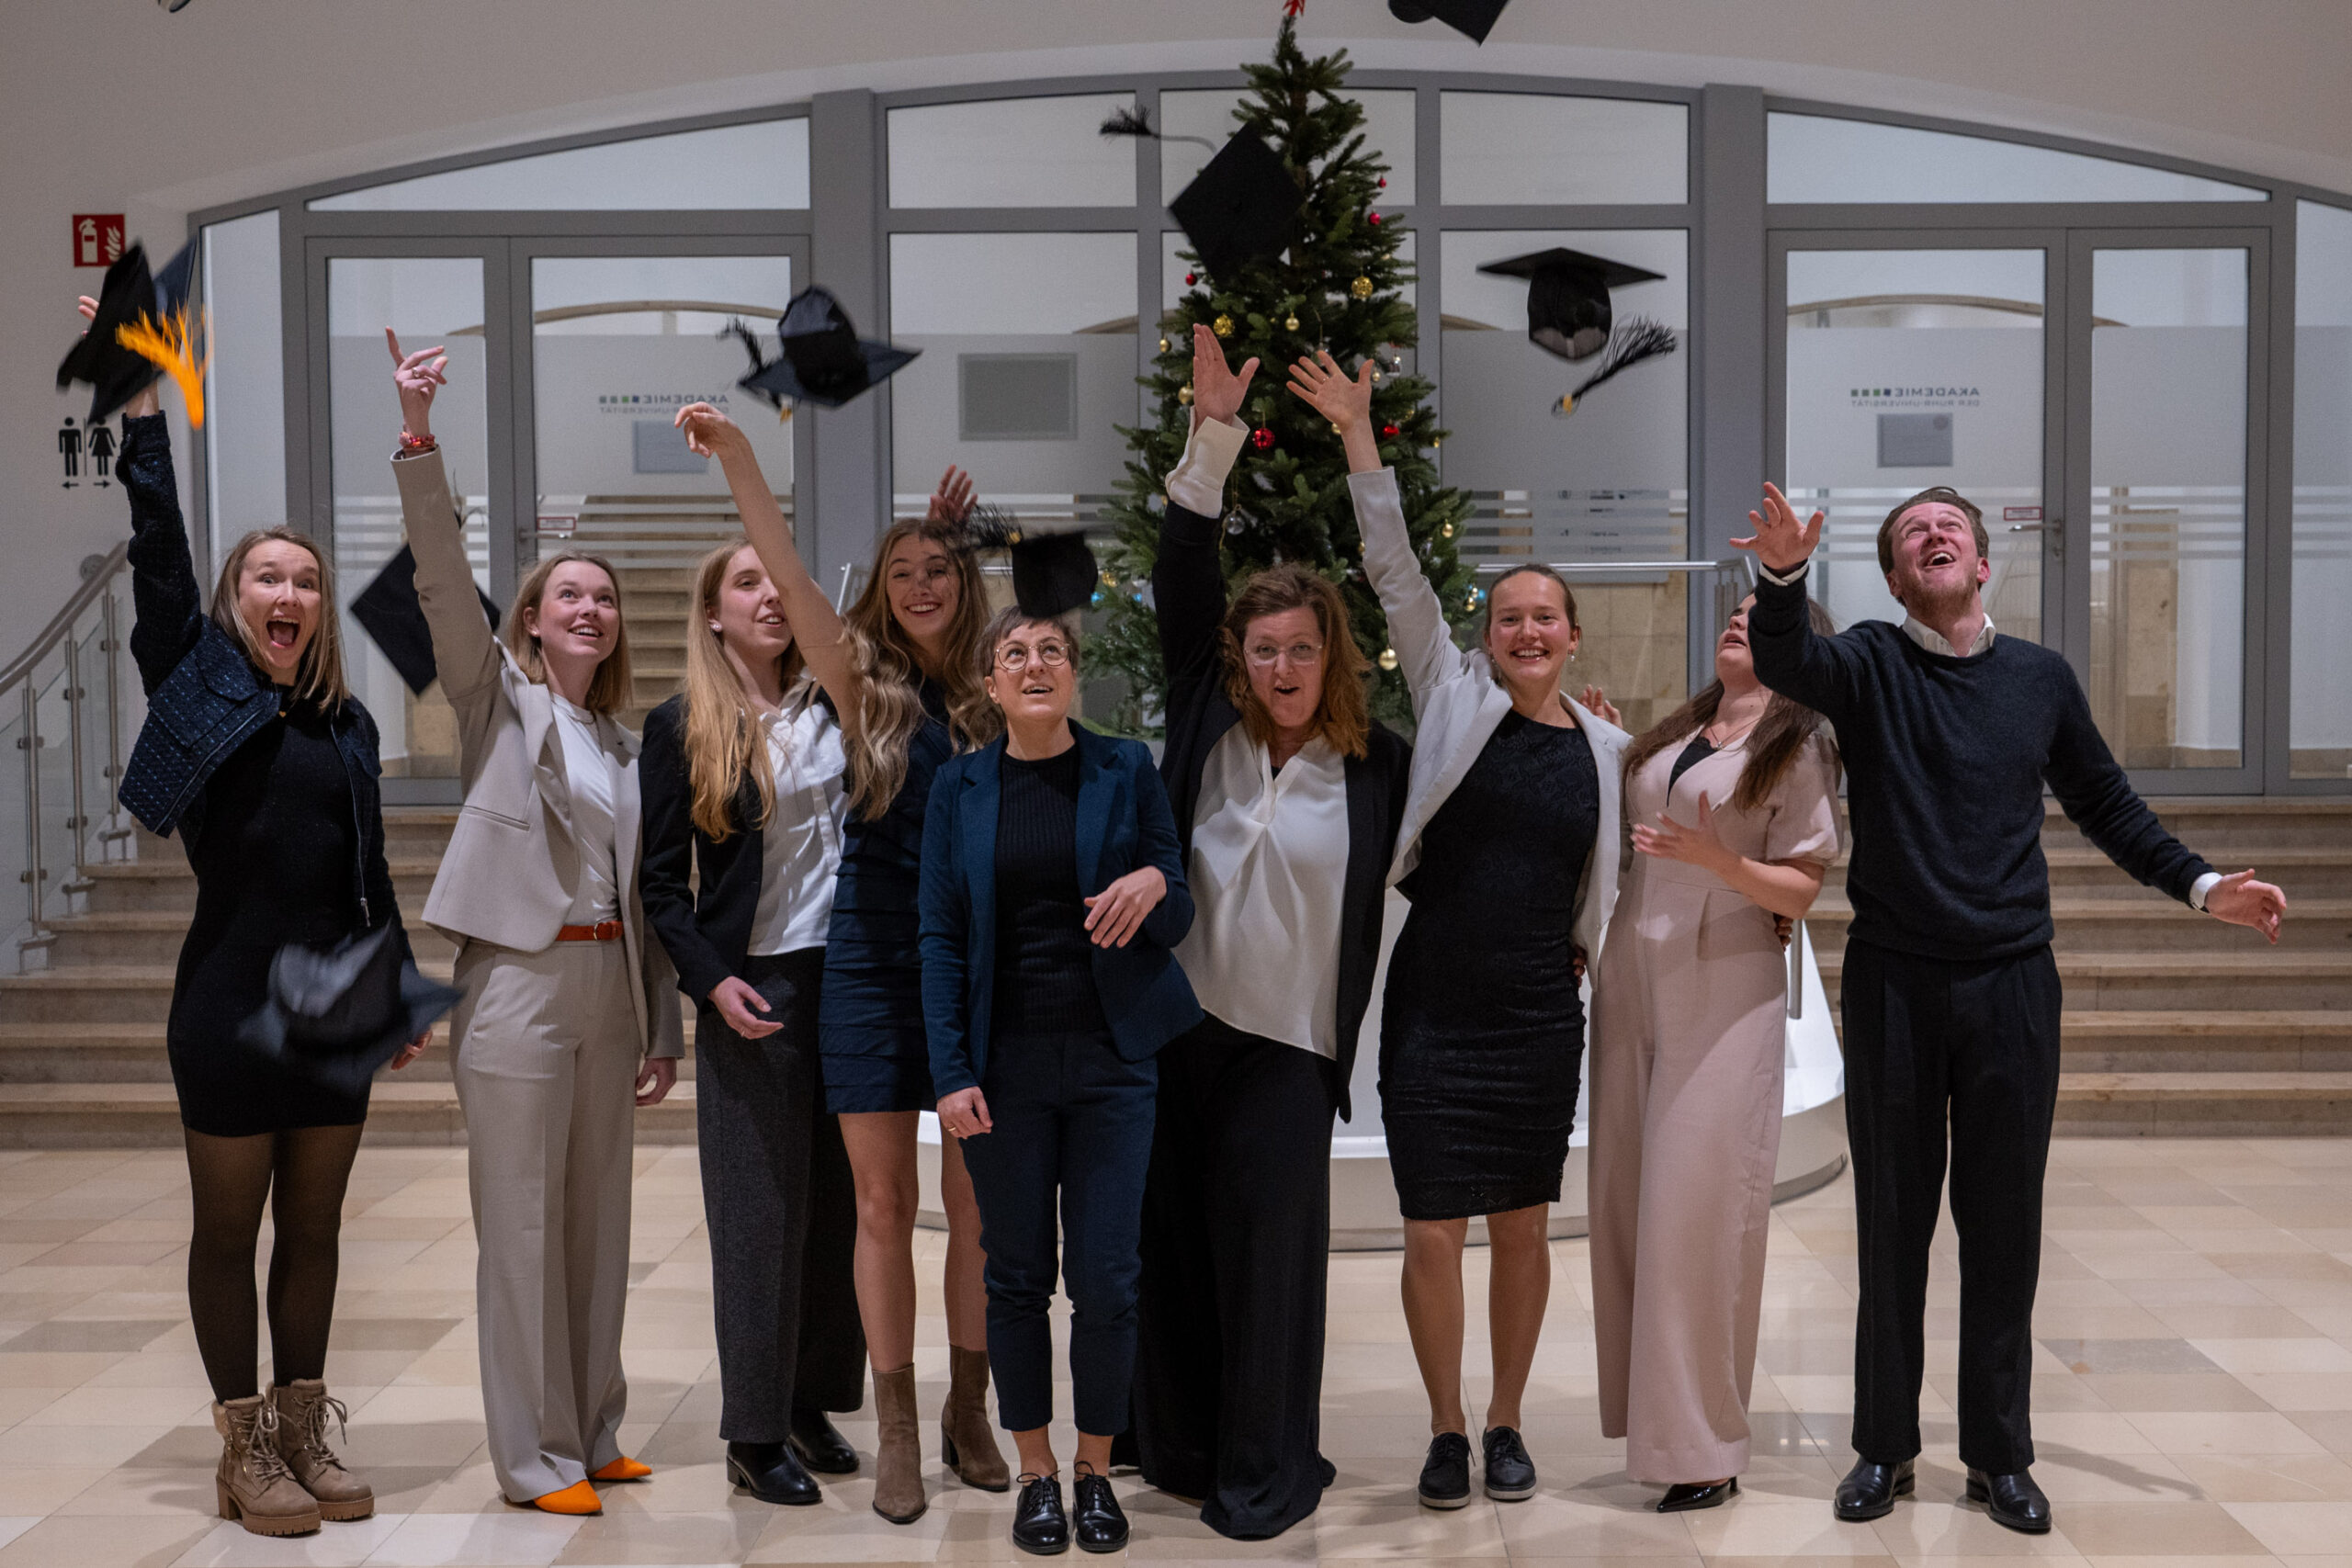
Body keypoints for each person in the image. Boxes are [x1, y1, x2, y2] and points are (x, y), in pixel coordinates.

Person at [1736, 481, 2289, 1534]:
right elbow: (1784, 660)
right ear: (1897, 578)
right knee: (1891, 1228)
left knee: (2003, 1232)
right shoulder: (1866, 663)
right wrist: (1781, 574)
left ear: (1981, 564)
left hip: (2011, 987)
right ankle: (1884, 1448)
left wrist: (2203, 885)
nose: (1932, 535)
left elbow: (2107, 804)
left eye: (1949, 526)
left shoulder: (2039, 679)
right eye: (1911, 533)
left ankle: (1998, 1455)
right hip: (1895, 982)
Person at [1290, 350, 1630, 1511]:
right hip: (1433, 1009)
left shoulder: (1608, 750)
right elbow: (1391, 565)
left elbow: (1628, 873)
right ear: (1486, 634)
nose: (1526, 631)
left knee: (1523, 1230)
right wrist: (1357, 433)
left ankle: (1505, 1420)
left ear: (1572, 636)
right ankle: (1445, 1424)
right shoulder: (1450, 695)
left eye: (1545, 618)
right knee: (1431, 1231)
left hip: (1537, 1016)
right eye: (1509, 617)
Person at [674, 400, 1008, 1523]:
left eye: (938, 570)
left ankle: (969, 1410)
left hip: (971, 975)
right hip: (867, 965)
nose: (919, 586)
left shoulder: (998, 692)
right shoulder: (861, 685)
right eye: (900, 572)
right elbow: (784, 569)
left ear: (964, 585)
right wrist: (743, 460)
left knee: (975, 1208)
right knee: (878, 1202)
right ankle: (898, 1427)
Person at [106, 314, 409, 1540]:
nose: (287, 594)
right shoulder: (199, 686)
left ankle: (301, 1425)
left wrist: (393, 989)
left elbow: (370, 875)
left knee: (318, 1226)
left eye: (305, 581)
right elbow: (159, 562)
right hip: (228, 1004)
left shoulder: (346, 725)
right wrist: (144, 412)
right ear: (237, 600)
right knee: (230, 1227)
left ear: (320, 607)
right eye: (266, 578)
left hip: (333, 1008)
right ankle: (242, 1445)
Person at [389, 333, 684, 1517]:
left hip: (609, 991)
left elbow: (645, 898)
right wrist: (419, 442)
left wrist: (660, 1026)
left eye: (604, 598)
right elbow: (436, 583)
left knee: (596, 1224)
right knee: (521, 1228)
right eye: (570, 594)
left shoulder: (624, 744)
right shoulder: (496, 703)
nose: (591, 609)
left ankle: (594, 1429)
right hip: (516, 983)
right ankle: (534, 1458)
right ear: (530, 618)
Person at [1130, 324, 1410, 1540]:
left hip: (1289, 1050)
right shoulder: (1209, 722)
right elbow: (1183, 564)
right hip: (1177, 1031)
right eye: (1264, 649)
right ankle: (1181, 1448)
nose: (1284, 664)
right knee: (1178, 1250)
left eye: (1302, 647)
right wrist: (1213, 437)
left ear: (1329, 654)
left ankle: (1266, 1470)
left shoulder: (1380, 763)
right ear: (1237, 660)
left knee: (1270, 1269)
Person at [922, 605, 1200, 1556]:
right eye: (1015, 653)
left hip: (1113, 1062)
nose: (1034, 664)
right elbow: (939, 936)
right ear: (990, 683)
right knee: (1015, 1277)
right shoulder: (958, 786)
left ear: (1073, 673)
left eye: (1051, 651)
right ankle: (1035, 1471)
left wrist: (1155, 884)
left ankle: (1095, 1472)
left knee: (1108, 1278)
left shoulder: (1125, 767)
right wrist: (950, 1072)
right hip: (1003, 1068)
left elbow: (1178, 904)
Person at [1581, 592, 1841, 1514]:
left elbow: (1801, 885)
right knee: (1624, 1199)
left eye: (1759, 616)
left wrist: (1721, 863)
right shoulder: (1682, 731)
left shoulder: (1798, 741)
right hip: (1632, 969)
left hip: (1724, 977)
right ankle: (1651, 1422)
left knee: (1694, 1209)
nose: (1737, 621)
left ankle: (1704, 1445)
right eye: (1734, 611)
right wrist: (1613, 745)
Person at [638, 538, 868, 1506]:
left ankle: (810, 1401)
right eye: (747, 583)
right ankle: (753, 1431)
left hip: (848, 980)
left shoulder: (835, 706)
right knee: (758, 1217)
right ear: (713, 612)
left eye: (780, 580)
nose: (770, 596)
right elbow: (661, 883)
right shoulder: (681, 723)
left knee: (837, 1210)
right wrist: (712, 984)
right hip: (754, 988)